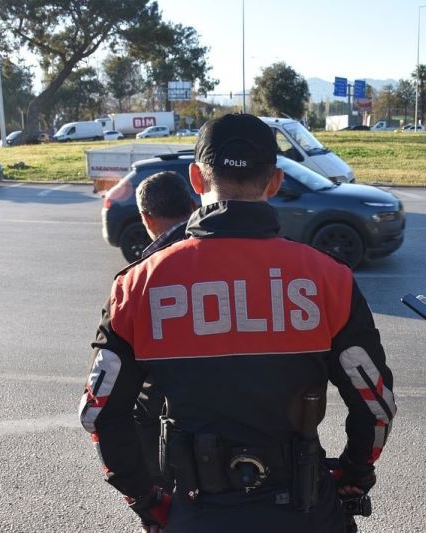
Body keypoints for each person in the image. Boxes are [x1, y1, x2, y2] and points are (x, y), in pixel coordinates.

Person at [79, 113, 396, 533]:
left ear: (195, 179)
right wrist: (355, 476)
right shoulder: (327, 278)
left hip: (195, 511)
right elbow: (376, 406)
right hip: (305, 508)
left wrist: (146, 499)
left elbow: (99, 414)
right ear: (276, 181)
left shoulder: (138, 284)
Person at [132, 171, 196, 508]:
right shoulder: (219, 248)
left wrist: (143, 496)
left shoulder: (144, 273)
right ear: (191, 202)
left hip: (171, 422)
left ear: (146, 217)